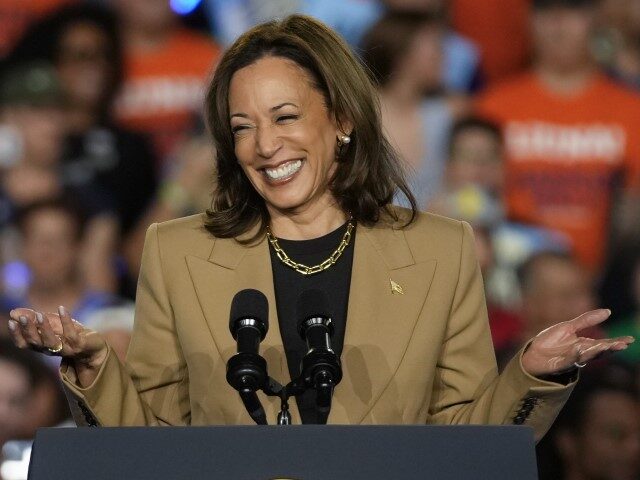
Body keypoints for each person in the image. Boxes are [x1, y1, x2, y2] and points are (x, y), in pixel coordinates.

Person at [5, 15, 634, 433]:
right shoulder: (178, 251)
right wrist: (92, 367)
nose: (263, 145)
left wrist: (532, 376)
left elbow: (464, 441)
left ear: (341, 120)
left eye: (284, 117)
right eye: (242, 127)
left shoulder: (439, 250)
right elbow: (155, 439)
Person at [475, 0, 640, 274]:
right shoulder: (492, 107)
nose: (559, 23)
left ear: (597, 19)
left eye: (573, 10)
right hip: (509, 285)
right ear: (529, 20)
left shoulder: (632, 109)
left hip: (607, 285)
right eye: (546, 11)